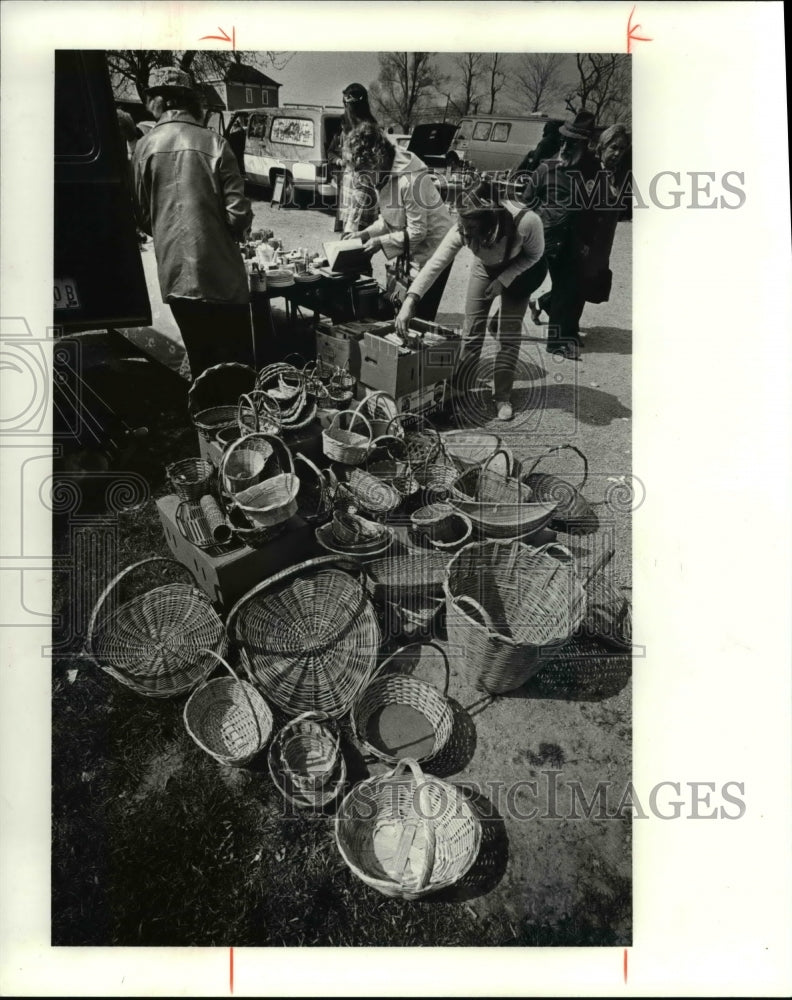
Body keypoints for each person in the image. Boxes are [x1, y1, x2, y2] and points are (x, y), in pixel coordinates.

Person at [132, 67, 255, 378]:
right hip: (222, 276)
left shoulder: (143, 148)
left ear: (156, 103)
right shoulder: (215, 143)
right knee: (236, 364)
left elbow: (143, 216)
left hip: (176, 275)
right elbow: (238, 214)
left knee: (202, 362)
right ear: (191, 102)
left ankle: (208, 420)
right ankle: (239, 421)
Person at [395, 181, 546, 422]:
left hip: (520, 270)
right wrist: (410, 300)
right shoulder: (465, 226)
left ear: (490, 227)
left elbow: (535, 255)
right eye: (463, 231)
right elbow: (436, 264)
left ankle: (502, 395)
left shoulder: (527, 223)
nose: (465, 238)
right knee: (472, 330)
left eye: (471, 233)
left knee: (509, 334)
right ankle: (458, 390)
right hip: (485, 267)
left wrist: (504, 280)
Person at [344, 121, 454, 321]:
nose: (361, 178)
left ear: (376, 160)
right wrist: (364, 234)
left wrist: (380, 243)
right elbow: (389, 220)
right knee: (398, 306)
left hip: (435, 249)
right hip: (414, 246)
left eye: (362, 171)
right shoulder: (383, 175)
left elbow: (418, 231)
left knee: (416, 315)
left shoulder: (410, 180)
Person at [521, 110, 600, 359]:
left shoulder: (593, 170)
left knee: (566, 289)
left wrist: (587, 241)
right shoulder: (546, 169)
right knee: (523, 283)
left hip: (572, 240)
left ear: (585, 145)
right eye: (563, 140)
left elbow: (593, 211)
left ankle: (556, 343)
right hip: (543, 238)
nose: (565, 146)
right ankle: (497, 322)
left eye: (572, 143)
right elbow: (526, 203)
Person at [328, 83, 380, 235]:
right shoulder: (346, 127)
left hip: (363, 191)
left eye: (347, 106)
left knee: (355, 242)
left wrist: (352, 222)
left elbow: (366, 175)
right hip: (349, 188)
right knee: (349, 242)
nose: (345, 110)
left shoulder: (368, 130)